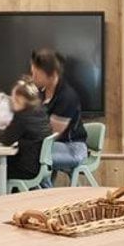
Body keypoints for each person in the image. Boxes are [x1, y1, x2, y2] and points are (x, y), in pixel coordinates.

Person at [28, 47, 88, 185]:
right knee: (27, 155)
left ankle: (46, 199)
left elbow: (51, 134)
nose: (33, 78)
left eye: (36, 75)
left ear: (52, 74)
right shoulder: (42, 93)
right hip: (55, 145)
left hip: (72, 148)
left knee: (31, 159)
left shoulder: (67, 97)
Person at [0, 80, 52, 195]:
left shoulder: (22, 117)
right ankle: (13, 196)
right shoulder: (40, 111)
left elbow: (7, 140)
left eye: (14, 98)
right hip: (40, 164)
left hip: (27, 169)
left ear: (21, 99)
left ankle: (3, 205)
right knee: (4, 164)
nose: (11, 101)